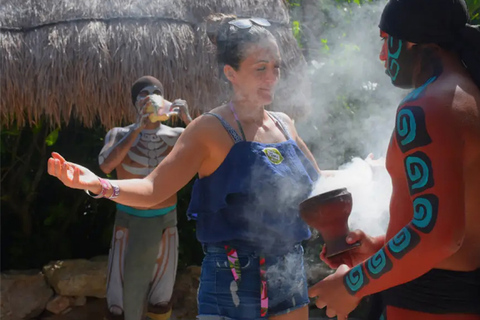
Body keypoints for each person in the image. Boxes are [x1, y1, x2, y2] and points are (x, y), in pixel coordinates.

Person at [48, 14, 322, 320]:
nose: (271, 77)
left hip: (289, 269)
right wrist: (98, 184)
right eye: (260, 68)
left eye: (276, 68)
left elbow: (319, 183)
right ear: (231, 72)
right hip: (234, 278)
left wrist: (369, 174)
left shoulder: (285, 125)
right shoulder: (209, 129)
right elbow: (153, 189)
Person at [308, 1, 480, 319]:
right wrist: (380, 248)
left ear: (412, 40)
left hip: (428, 305)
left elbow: (438, 236)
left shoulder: (426, 107)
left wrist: (352, 285)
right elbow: (457, 221)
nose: (382, 55)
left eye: (386, 40)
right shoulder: (465, 96)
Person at [99, 75, 192, 320]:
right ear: (134, 102)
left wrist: (189, 120)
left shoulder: (179, 134)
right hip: (129, 220)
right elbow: (107, 165)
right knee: (118, 303)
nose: (150, 97)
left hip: (165, 222)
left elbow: (207, 155)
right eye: (143, 93)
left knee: (161, 299)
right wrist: (137, 130)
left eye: (155, 92)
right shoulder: (118, 133)